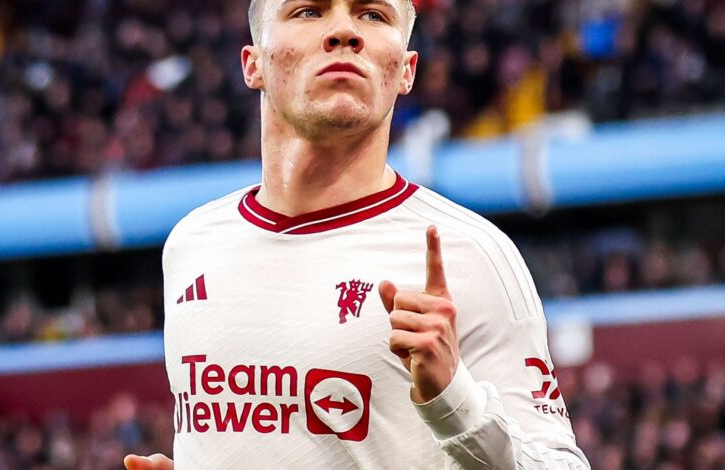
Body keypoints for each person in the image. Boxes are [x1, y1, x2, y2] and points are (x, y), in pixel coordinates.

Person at [125, 0, 590, 468]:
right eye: (308, 11)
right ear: (254, 64)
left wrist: (455, 400)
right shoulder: (193, 244)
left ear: (406, 71)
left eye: (373, 15)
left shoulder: (469, 255)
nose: (344, 31)